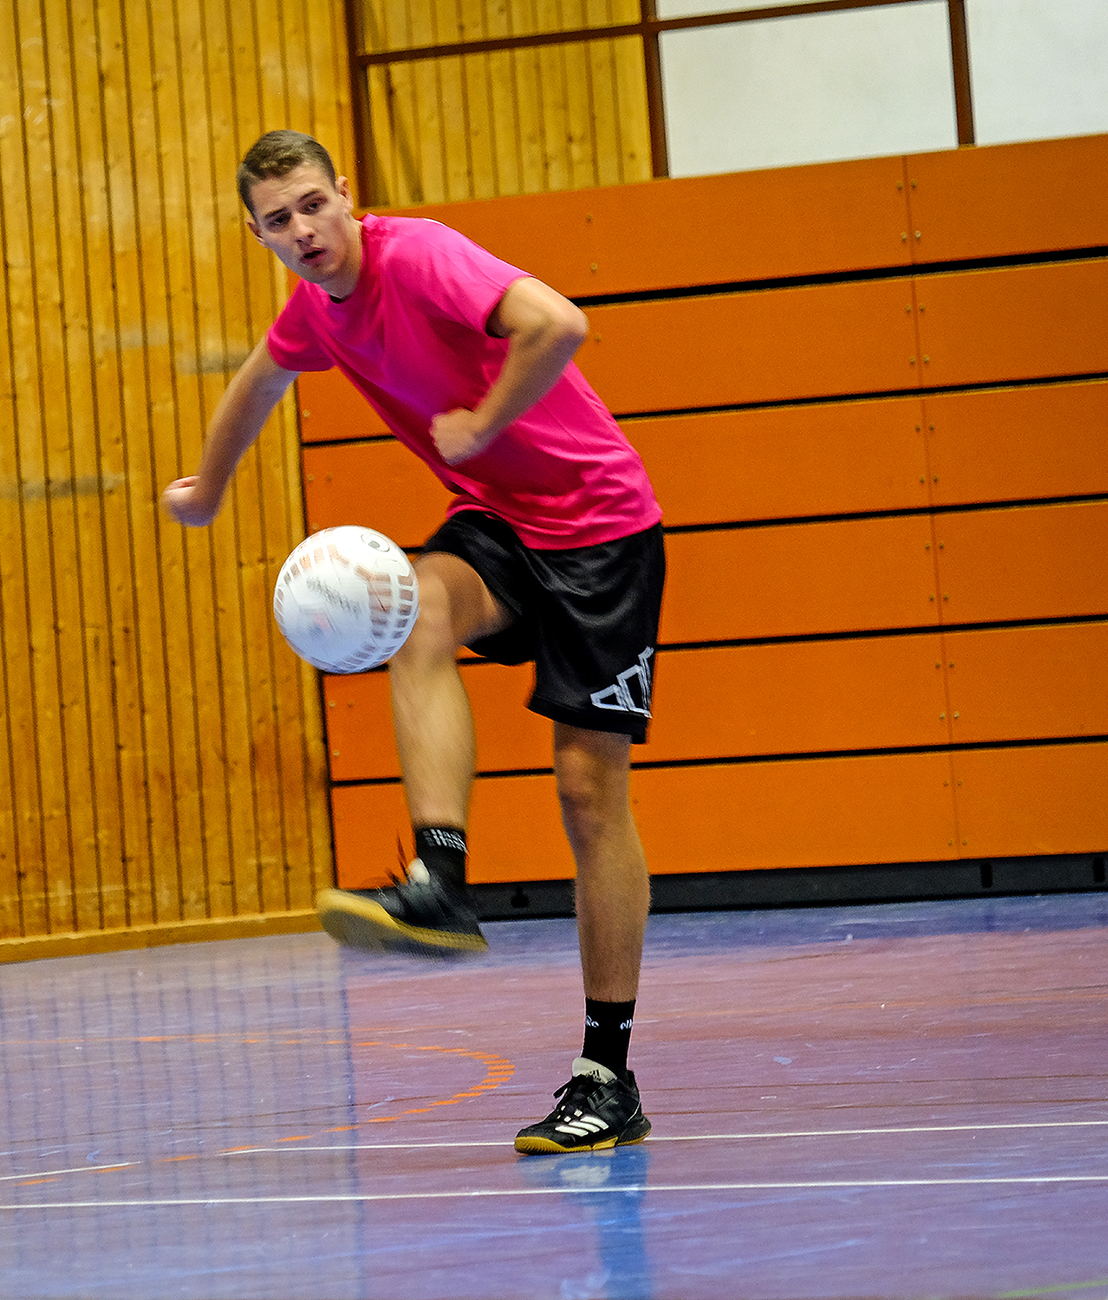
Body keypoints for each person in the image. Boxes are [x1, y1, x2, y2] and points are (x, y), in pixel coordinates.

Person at [163, 131, 663, 1155]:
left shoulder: (420, 254)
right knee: (416, 607)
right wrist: (206, 489)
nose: (304, 230)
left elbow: (558, 324)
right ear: (256, 234)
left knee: (587, 792)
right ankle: (441, 880)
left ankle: (606, 1075)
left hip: (602, 531)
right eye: (279, 220)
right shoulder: (314, 310)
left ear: (345, 194)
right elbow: (257, 383)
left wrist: (481, 422)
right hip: (501, 523)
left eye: (314, 204)